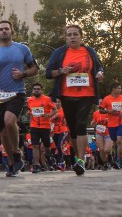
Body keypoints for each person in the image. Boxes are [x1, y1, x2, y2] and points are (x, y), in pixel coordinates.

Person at [45, 24, 104, 176]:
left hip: (87, 94)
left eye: (75, 34)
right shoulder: (60, 53)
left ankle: (81, 160)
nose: (72, 37)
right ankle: (78, 157)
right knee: (72, 129)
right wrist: (61, 71)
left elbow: (98, 67)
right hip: (66, 95)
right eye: (69, 35)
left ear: (81, 36)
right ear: (66, 38)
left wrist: (99, 73)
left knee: (81, 124)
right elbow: (48, 73)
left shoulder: (89, 51)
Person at [0, 20, 39, 177]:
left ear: (12, 31)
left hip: (17, 92)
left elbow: (34, 68)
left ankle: (16, 152)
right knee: (2, 132)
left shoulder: (22, 48)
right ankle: (14, 162)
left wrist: (23, 74)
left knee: (10, 120)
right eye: (1, 29)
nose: (3, 31)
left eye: (6, 29)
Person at [26, 83, 56, 174]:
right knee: (35, 145)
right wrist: (29, 113)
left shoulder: (47, 99)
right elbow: (29, 110)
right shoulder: (30, 100)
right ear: (33, 90)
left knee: (47, 147)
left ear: (41, 90)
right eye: (35, 89)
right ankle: (37, 165)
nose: (36, 90)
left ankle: (48, 156)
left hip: (45, 126)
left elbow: (55, 110)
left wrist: (48, 115)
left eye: (38, 89)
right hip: (34, 126)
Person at [99, 82, 122, 168]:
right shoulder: (107, 99)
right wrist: (109, 111)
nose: (120, 90)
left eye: (120, 88)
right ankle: (115, 158)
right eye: (118, 88)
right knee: (115, 142)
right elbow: (101, 110)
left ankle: (119, 160)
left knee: (119, 140)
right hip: (111, 123)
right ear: (113, 89)